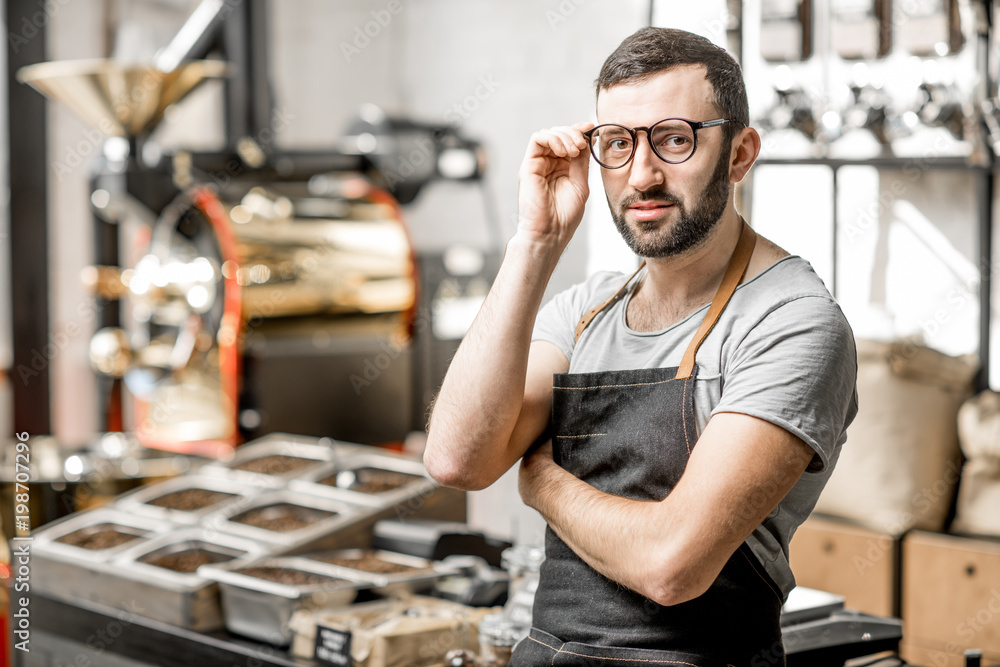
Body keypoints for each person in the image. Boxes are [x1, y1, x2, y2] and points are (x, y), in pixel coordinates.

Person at [423, 26, 858, 666]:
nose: (642, 174)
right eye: (618, 144)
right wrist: (535, 244)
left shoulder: (790, 321)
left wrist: (543, 480)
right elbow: (458, 458)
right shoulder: (586, 308)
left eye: (675, 140)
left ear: (739, 154)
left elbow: (670, 565)